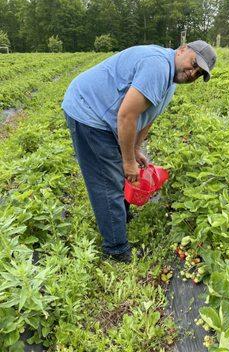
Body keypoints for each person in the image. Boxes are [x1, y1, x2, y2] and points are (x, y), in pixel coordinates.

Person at [61, 40, 217, 263]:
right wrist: (127, 162)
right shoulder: (157, 66)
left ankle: (119, 218)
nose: (192, 73)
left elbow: (147, 117)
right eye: (193, 64)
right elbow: (126, 116)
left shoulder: (170, 81)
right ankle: (115, 248)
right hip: (89, 112)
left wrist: (134, 149)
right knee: (107, 181)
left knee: (118, 172)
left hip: (109, 116)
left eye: (198, 73)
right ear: (182, 49)